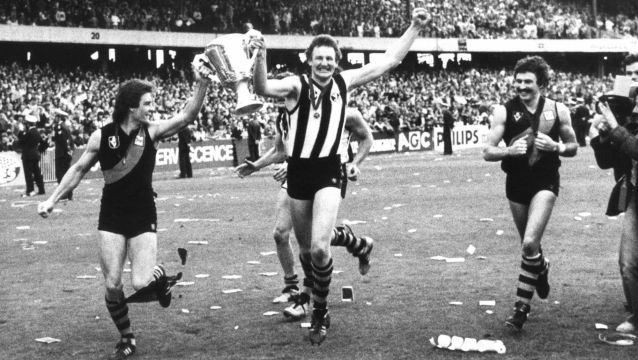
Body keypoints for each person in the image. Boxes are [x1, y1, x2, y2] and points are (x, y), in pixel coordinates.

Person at [236, 5, 429, 345]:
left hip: (328, 171)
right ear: (309, 60)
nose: (325, 63)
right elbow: (264, 88)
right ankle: (350, 251)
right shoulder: (296, 87)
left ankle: (321, 310)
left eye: (330, 58)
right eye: (319, 58)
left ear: (336, 61)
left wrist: (414, 27)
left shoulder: (345, 81)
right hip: (297, 174)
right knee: (308, 251)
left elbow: (387, 62)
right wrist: (261, 55)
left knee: (321, 250)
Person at [37, 57, 212, 358]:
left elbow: (187, 115)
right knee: (113, 284)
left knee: (141, 281)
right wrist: (52, 199)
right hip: (112, 215)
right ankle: (127, 336)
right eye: (147, 103)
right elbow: (78, 169)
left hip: (143, 212)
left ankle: (161, 279)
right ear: (131, 106)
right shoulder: (101, 136)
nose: (152, 108)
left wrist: (203, 82)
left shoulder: (153, 132)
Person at [483, 55, 578, 331]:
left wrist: (557, 147)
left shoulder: (558, 110)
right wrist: (508, 150)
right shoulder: (503, 111)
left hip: (545, 181)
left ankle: (521, 308)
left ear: (541, 83)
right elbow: (487, 151)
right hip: (516, 184)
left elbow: (573, 146)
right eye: (518, 81)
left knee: (528, 244)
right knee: (531, 246)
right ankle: (542, 267)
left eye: (528, 82)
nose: (522, 86)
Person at [270, 107, 374, 321]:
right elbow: (298, 150)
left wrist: (354, 164)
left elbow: (367, 138)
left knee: (315, 242)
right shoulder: (298, 114)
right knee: (308, 238)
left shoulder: (347, 113)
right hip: (303, 176)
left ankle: (305, 299)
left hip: (332, 176)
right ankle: (356, 243)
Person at [590, 53, 638, 334]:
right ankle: (636, 313)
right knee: (628, 262)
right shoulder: (629, 121)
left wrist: (615, 126)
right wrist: (601, 135)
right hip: (636, 196)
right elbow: (607, 160)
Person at [17, 114, 45, 197]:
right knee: (37, 173)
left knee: (28, 174)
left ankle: (30, 190)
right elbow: (43, 143)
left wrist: (21, 132)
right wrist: (38, 150)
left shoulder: (28, 133)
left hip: (27, 156)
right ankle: (41, 189)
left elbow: (21, 142)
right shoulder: (37, 132)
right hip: (35, 155)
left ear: (28, 124)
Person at [52, 109, 74, 200]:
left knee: (60, 174)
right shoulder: (66, 126)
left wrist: (66, 151)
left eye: (56, 116)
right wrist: (70, 151)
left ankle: (63, 194)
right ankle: (69, 194)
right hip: (66, 153)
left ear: (59, 117)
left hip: (61, 154)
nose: (55, 118)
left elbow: (63, 141)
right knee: (67, 174)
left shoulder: (59, 127)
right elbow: (70, 141)